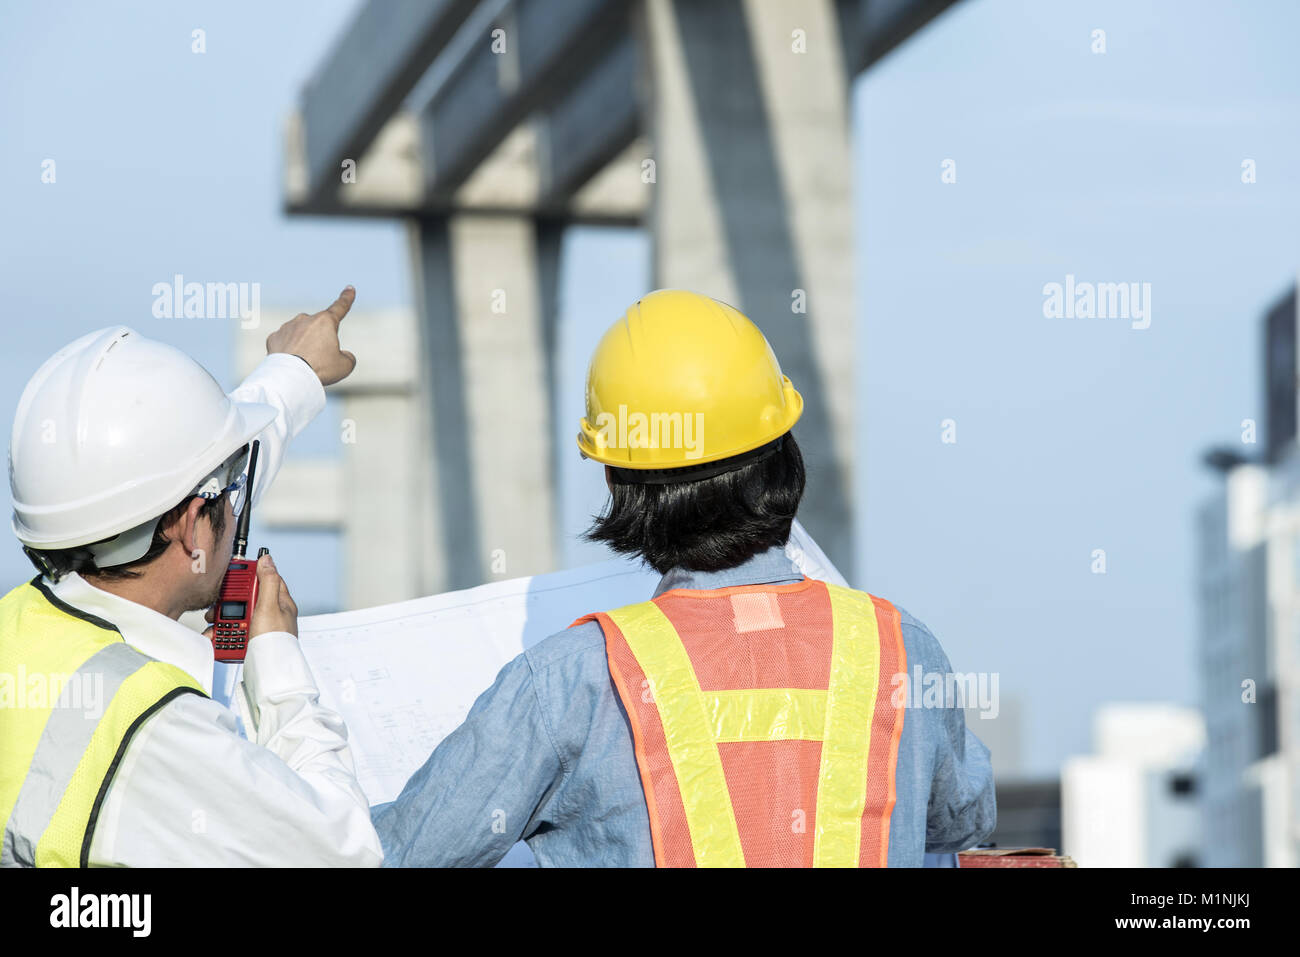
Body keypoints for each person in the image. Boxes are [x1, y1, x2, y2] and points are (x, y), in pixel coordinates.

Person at [373, 289, 995, 867]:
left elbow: (395, 855)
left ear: (620, 481)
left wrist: (285, 684)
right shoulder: (902, 649)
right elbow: (964, 818)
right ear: (783, 455)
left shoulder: (572, 680)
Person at [0, 288, 383, 867]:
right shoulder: (160, 729)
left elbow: (170, 482)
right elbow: (345, 853)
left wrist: (293, 372)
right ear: (186, 526)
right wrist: (277, 661)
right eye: (228, 492)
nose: (239, 503)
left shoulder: (20, 627)